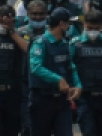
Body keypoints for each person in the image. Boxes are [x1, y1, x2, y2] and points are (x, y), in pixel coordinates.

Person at [27, 7, 82, 136]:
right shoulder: (40, 43)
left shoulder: (64, 44)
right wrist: (58, 79)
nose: (70, 27)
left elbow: (71, 67)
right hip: (42, 100)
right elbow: (35, 67)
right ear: (61, 24)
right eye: (68, 23)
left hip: (61, 101)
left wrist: (78, 85)